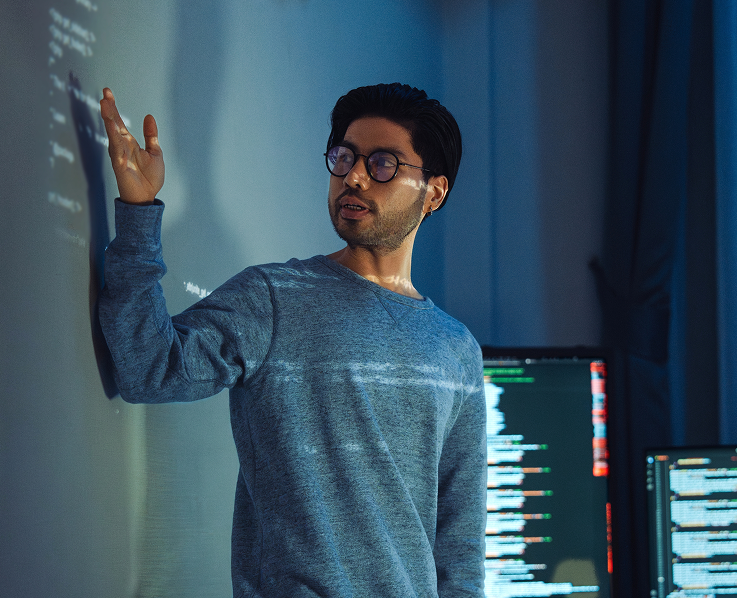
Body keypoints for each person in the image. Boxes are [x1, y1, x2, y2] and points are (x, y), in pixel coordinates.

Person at [98, 83, 487, 597]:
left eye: (383, 164)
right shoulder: (273, 297)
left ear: (433, 192)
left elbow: (460, 553)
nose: (353, 176)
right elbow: (147, 368)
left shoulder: (456, 350)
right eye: (345, 156)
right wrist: (138, 212)